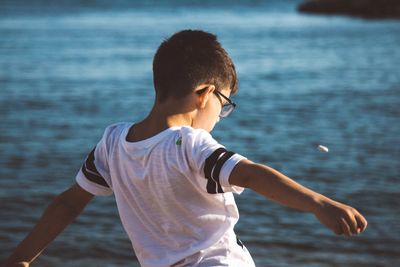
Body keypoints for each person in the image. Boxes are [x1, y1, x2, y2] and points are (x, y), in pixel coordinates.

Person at [3, 29, 367, 267]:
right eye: (224, 105)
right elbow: (253, 175)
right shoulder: (191, 144)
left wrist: (21, 257)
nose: (220, 116)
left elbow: (68, 203)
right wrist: (320, 203)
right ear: (205, 94)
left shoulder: (112, 143)